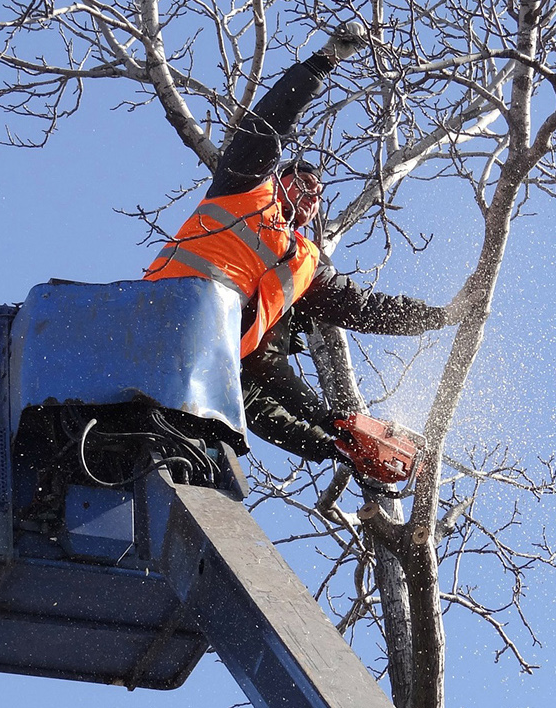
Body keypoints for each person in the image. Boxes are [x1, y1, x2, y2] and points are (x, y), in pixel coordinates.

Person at [144, 22, 463, 462]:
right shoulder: (244, 189)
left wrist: (334, 440)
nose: (313, 197)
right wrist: (322, 62)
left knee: (209, 447)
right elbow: (270, 123)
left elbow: (361, 311)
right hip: (157, 317)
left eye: (320, 194)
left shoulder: (300, 266)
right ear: (278, 180)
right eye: (305, 183)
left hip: (198, 364)